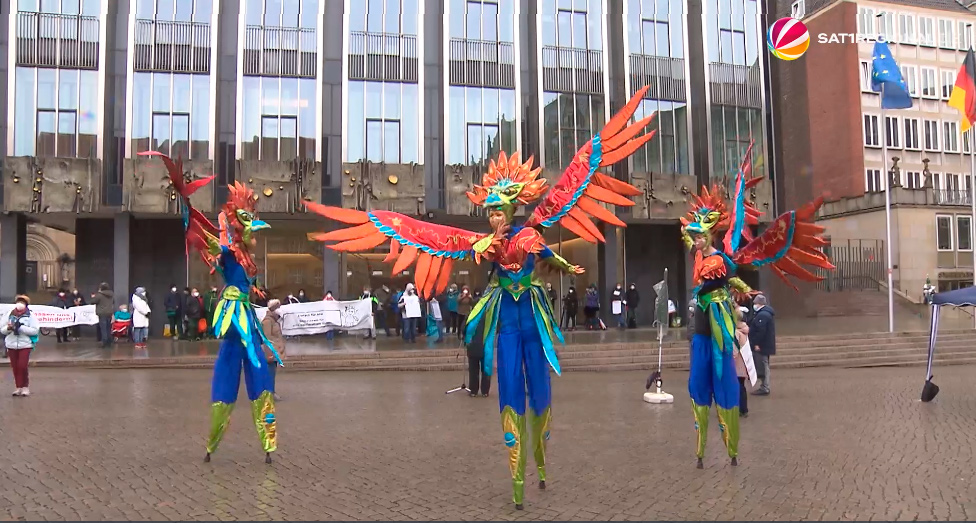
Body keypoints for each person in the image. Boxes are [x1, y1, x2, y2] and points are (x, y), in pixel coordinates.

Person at [2, 295, 38, 397]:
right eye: (18, 302)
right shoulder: (9, 314)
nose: (20, 304)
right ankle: (18, 387)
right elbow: (2, 329)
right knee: (15, 367)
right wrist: (9, 328)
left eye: (22, 302)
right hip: (11, 344)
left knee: (22, 366)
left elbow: (35, 330)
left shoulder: (30, 316)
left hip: (25, 344)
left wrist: (21, 328)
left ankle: (25, 387)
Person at [749, 294, 776, 396]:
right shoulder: (763, 313)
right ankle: (764, 386)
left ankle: (765, 387)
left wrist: (756, 343)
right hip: (764, 345)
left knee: (763, 365)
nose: (754, 305)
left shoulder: (763, 315)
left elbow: (761, 331)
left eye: (755, 303)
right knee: (763, 365)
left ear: (759, 303)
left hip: (762, 346)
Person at [261, 299, 285, 401]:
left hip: (274, 352)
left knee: (272, 373)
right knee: (269, 374)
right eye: (278, 308)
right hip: (270, 353)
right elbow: (266, 339)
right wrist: (269, 354)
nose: (280, 310)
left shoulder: (273, 320)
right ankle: (269, 393)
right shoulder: (267, 321)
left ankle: (271, 392)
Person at [732, 309, 750, 418]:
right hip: (744, 363)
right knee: (742, 387)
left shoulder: (736, 332)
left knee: (737, 387)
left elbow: (734, 351)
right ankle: (744, 409)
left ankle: (739, 408)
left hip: (736, 364)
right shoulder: (745, 329)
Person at [466, 316, 490, 397]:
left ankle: (473, 391)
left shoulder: (471, 316)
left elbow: (463, 329)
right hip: (485, 347)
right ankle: (485, 391)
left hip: (472, 347)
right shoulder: (488, 316)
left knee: (473, 371)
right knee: (486, 370)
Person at [90, 282, 115, 347]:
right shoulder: (111, 294)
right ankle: (109, 342)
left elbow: (92, 302)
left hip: (102, 313)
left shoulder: (99, 295)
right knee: (108, 328)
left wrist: (93, 297)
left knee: (103, 328)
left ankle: (105, 342)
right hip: (109, 313)